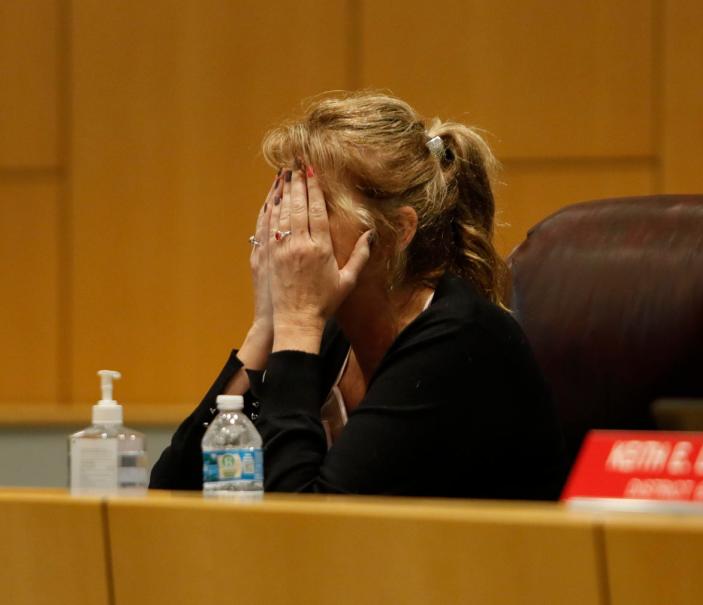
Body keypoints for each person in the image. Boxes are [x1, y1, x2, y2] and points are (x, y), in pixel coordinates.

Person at [150, 92, 566, 499]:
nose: (286, 231)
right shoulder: (332, 332)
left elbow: (308, 527)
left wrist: (296, 325)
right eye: (285, 201)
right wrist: (266, 327)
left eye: (313, 206)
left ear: (397, 231)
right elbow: (173, 492)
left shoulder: (460, 341)